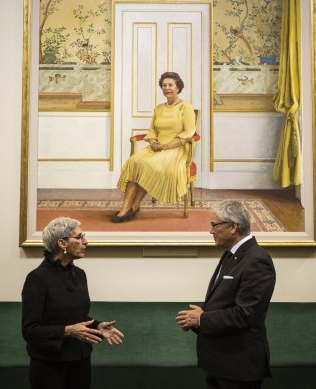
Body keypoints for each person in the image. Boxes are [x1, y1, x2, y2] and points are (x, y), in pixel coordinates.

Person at [176, 200, 276, 389]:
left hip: (239, 365)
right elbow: (225, 302)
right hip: (221, 363)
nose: (211, 231)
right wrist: (199, 316)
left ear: (233, 227)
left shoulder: (257, 260)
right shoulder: (232, 254)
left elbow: (246, 314)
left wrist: (202, 319)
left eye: (214, 225)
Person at [22, 217, 124, 389]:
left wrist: (97, 326)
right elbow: (30, 330)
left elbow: (77, 317)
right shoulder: (37, 278)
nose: (85, 242)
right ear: (62, 243)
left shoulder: (79, 274)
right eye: (79, 237)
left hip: (80, 360)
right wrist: (67, 331)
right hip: (49, 364)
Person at [112, 71, 197, 223]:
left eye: (170, 85)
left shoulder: (186, 107)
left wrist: (166, 146)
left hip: (175, 149)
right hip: (157, 147)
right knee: (134, 162)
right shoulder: (159, 108)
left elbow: (188, 133)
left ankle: (135, 205)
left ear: (178, 87)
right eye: (164, 85)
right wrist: (153, 143)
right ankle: (126, 207)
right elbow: (152, 130)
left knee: (149, 165)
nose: (167, 88)